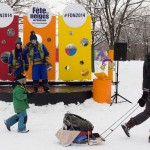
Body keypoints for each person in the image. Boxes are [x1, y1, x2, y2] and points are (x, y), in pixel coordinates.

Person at [121, 53, 150, 137]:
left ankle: (129, 124)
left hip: (147, 89)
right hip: (148, 89)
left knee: (148, 112)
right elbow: (148, 78)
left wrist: (145, 93)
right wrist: (145, 94)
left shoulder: (147, 60)